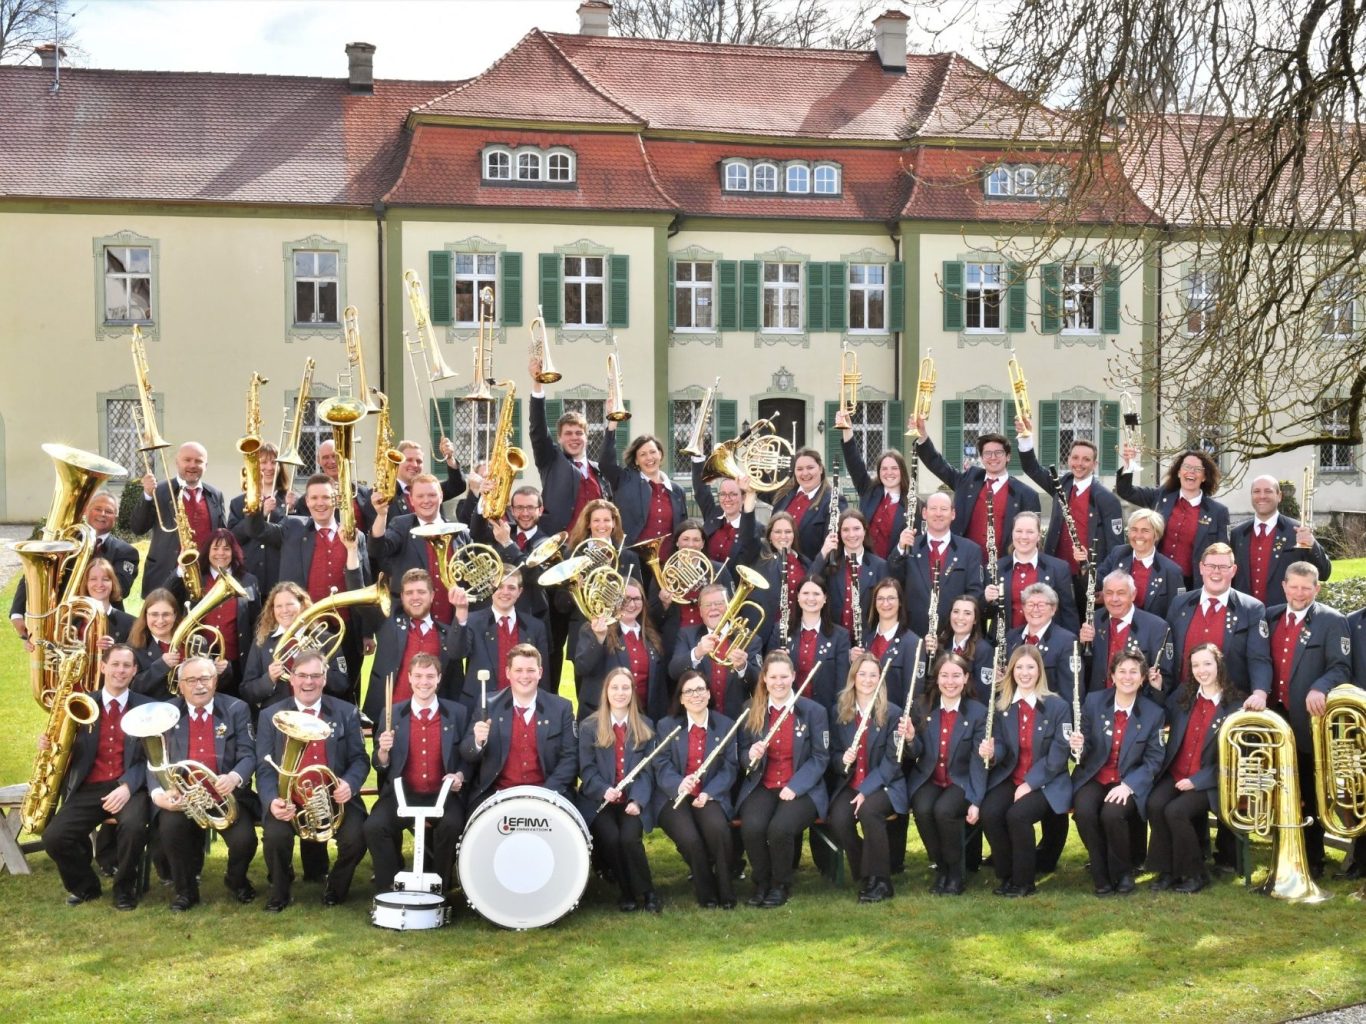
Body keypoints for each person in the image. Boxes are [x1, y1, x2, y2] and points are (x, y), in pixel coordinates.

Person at [1243, 561, 1351, 876]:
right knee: (1276, 787)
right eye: (1294, 587)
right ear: (1284, 586)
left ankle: (1313, 859)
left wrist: (1320, 687)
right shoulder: (1269, 616)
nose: (1299, 593)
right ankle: (1281, 853)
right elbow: (1258, 659)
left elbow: (1341, 667)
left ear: (1317, 588)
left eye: (1306, 588)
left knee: (1308, 790)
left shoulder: (1333, 621)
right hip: (1273, 719)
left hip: (1308, 721)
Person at [256, 649, 370, 912]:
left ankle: (335, 888)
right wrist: (272, 801)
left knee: (356, 836)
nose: (309, 682)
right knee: (275, 836)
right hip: (289, 799)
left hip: (335, 799)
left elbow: (360, 759)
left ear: (325, 679)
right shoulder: (270, 715)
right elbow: (264, 768)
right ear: (292, 678)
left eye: (316, 676)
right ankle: (280, 892)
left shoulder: (345, 712)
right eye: (303, 675)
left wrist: (349, 784)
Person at [40, 644, 152, 910]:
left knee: (134, 827)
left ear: (134, 671)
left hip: (128, 788)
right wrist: (48, 743)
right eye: (115, 664)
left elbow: (153, 758)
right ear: (102, 667)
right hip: (89, 787)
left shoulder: (146, 708)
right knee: (55, 837)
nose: (120, 671)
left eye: (126, 665)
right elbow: (64, 746)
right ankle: (86, 887)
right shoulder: (80, 706)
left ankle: (124, 889)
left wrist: (127, 786)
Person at [248, 474, 373, 699]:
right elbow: (257, 530)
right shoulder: (292, 527)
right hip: (304, 629)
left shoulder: (356, 536)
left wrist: (367, 632)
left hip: (345, 627)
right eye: (314, 498)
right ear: (306, 501)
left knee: (346, 689)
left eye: (325, 497)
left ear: (336, 499)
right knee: (305, 686)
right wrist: (255, 505)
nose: (319, 503)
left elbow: (363, 586)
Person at [151, 655, 260, 910]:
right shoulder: (167, 712)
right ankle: (186, 892)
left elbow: (248, 754)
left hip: (225, 795)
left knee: (245, 841)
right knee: (170, 830)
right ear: (180, 685)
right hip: (184, 796)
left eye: (205, 678)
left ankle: (236, 880)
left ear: (215, 681)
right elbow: (154, 760)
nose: (199, 685)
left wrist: (233, 777)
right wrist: (160, 793)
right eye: (191, 680)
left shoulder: (236, 709)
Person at [365, 652, 471, 894]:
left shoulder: (457, 713)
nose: (424, 682)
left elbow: (468, 757)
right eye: (419, 676)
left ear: (439, 678)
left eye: (430, 676)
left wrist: (460, 775)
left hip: (442, 794)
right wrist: (383, 751)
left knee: (452, 825)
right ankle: (390, 887)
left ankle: (440, 887)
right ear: (410, 678)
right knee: (374, 826)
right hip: (404, 793)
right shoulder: (392, 713)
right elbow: (379, 765)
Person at [736, 650, 830, 908]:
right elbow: (742, 754)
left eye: (784, 677)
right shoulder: (750, 710)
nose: (779, 682)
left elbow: (820, 757)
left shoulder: (813, 711)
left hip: (801, 787)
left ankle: (780, 885)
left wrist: (796, 786)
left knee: (780, 829)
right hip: (763, 784)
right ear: (764, 679)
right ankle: (762, 882)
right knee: (752, 827)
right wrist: (751, 755)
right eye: (773, 677)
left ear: (793, 676)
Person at [1068, 649, 1166, 896]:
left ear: (1143, 678)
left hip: (1127, 780)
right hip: (1094, 775)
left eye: (1134, 672)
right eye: (1121, 671)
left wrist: (1129, 786)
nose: (1127, 677)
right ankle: (1100, 872)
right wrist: (1077, 746)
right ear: (1112, 675)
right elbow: (1084, 749)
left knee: (1112, 814)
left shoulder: (1153, 713)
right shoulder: (1094, 702)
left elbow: (1154, 760)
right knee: (1084, 811)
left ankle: (1122, 872)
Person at [977, 646, 1071, 897]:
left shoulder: (1058, 706)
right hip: (1012, 776)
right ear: (1011, 671)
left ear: (1039, 671)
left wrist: (1030, 784)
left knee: (1017, 816)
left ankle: (1024, 882)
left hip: (1047, 781)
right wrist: (992, 752)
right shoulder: (1002, 705)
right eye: (1019, 667)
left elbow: (1058, 755)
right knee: (990, 812)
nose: (1024, 673)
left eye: (1030, 667)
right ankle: (1007, 874)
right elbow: (1002, 746)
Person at [1147, 644, 1241, 893]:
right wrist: (1157, 689)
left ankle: (1195, 874)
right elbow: (1162, 716)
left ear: (1219, 665)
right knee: (1155, 804)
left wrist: (1197, 781)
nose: (1202, 670)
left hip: (1211, 780)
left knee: (1176, 811)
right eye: (1196, 665)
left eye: (1207, 664)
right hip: (1176, 772)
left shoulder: (1235, 706)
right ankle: (1167, 871)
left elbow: (1233, 759)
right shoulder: (1184, 693)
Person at [896, 652, 990, 895]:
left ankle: (956, 874)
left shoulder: (978, 713)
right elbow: (916, 752)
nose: (950, 682)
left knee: (944, 811)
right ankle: (942, 868)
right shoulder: (922, 706)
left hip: (961, 779)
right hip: (929, 777)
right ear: (936, 678)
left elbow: (978, 761)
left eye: (956, 676)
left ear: (966, 678)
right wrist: (910, 738)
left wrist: (976, 800)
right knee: (923, 809)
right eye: (944, 675)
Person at [653, 670, 740, 909]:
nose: (696, 695)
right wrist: (679, 783)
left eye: (701, 689)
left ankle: (726, 891)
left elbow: (730, 768)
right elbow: (660, 763)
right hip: (673, 796)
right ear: (681, 698)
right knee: (691, 840)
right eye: (689, 691)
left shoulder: (725, 726)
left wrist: (709, 792)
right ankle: (707, 894)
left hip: (708, 794)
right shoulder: (667, 726)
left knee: (719, 831)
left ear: (709, 694)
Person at [576, 667, 661, 913]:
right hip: (598, 801)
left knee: (629, 838)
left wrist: (637, 801)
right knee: (612, 839)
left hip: (631, 800)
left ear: (633, 692)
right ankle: (627, 892)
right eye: (614, 687)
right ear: (606, 691)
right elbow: (586, 770)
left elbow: (647, 772)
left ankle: (648, 892)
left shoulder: (645, 726)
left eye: (625, 687)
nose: (620, 693)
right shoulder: (589, 727)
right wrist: (603, 789)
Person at [1017, 422, 1125, 610]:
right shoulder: (1061, 485)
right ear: (1068, 460)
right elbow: (1031, 468)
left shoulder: (1107, 499)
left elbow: (1115, 547)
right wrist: (1026, 437)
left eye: (1086, 460)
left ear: (1095, 464)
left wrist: (1108, 585)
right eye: (1075, 458)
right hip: (1057, 572)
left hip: (1088, 578)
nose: (1079, 464)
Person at [907, 412, 1040, 563]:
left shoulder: (1025, 494)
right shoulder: (968, 481)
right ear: (981, 458)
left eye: (998, 453)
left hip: (1003, 565)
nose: (993, 457)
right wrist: (922, 435)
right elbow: (938, 465)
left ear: (1008, 456)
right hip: (965, 563)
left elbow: (1033, 539)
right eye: (987, 453)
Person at [825, 654, 906, 902]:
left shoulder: (893, 713)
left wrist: (866, 790)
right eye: (862, 674)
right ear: (853, 677)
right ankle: (866, 871)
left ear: (880, 679)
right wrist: (843, 759)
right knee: (839, 819)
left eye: (873, 675)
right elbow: (832, 755)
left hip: (885, 784)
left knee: (869, 811)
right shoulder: (839, 711)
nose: (868, 680)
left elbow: (892, 761)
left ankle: (882, 881)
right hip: (851, 783)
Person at [10, 490, 139, 640]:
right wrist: (17, 613)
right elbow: (34, 573)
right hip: (56, 621)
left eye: (109, 511)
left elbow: (121, 590)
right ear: (85, 511)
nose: (102, 514)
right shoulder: (63, 544)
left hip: (104, 627)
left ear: (115, 517)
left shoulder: (125, 552)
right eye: (97, 509)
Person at [460, 643, 578, 806]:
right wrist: (477, 742)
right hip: (498, 795)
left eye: (531, 670)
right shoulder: (488, 705)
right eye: (518, 670)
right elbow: (467, 753)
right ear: (508, 672)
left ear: (540, 672)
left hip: (547, 795)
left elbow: (570, 757)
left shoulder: (561, 708)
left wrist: (546, 793)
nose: (525, 676)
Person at [369, 473, 481, 625]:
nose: (426, 500)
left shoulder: (460, 532)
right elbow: (377, 550)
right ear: (411, 500)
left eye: (432, 495)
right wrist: (381, 515)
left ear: (441, 496)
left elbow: (474, 579)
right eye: (420, 496)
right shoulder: (401, 525)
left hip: (454, 623)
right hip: (411, 624)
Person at [1160, 543, 1273, 693]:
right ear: (1201, 568)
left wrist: (1260, 692)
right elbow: (1167, 652)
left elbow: (1258, 658)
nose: (1216, 572)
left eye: (1223, 567)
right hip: (1181, 699)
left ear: (1233, 570)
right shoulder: (1180, 604)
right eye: (1210, 566)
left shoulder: (1251, 609)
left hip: (1229, 698)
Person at [1116, 445, 1229, 589]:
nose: (1191, 472)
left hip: (1192, 584)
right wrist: (1129, 463)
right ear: (1178, 472)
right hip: (1155, 578)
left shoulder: (1217, 512)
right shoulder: (1160, 496)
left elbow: (1223, 554)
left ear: (1204, 477)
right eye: (1186, 467)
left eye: (1197, 469)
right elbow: (1126, 491)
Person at [167, 528, 262, 695]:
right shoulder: (196, 577)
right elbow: (166, 595)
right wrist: (181, 570)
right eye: (215, 548)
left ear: (233, 552)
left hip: (236, 661)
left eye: (226, 548)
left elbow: (257, 622)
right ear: (207, 551)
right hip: (197, 660)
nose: (221, 553)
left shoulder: (249, 580)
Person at [239, 581, 352, 717]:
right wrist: (269, 679)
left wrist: (319, 670)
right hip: (278, 717)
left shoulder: (326, 639)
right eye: (278, 606)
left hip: (318, 716)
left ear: (302, 606)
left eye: (290, 604)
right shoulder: (262, 642)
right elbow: (247, 692)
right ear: (272, 610)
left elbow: (342, 685)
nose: (284, 610)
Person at [528, 357, 613, 536]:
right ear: (559, 438)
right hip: (562, 545)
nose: (574, 438)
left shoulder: (598, 470)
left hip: (595, 544)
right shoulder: (550, 461)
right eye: (568, 433)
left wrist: (612, 421)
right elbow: (538, 430)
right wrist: (537, 384)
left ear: (586, 437)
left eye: (578, 433)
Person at [360, 568, 458, 724]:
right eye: (409, 593)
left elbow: (455, 685)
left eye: (421, 592)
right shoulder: (387, 621)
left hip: (432, 722)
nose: (415, 597)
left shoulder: (447, 635)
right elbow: (359, 594)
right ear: (402, 597)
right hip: (388, 719)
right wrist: (353, 557)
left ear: (432, 595)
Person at [129, 441, 226, 597]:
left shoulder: (215, 495)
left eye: (198, 461)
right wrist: (147, 494)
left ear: (206, 465)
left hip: (204, 576)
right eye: (187, 460)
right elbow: (138, 528)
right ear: (177, 462)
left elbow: (222, 535)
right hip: (164, 575)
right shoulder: (159, 490)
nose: (192, 465)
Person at [887, 491, 985, 639]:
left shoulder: (970, 550)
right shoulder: (909, 546)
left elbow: (975, 593)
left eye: (944, 509)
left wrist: (958, 623)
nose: (938, 514)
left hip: (954, 637)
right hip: (914, 635)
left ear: (953, 514)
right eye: (933, 508)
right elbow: (892, 579)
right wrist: (900, 549)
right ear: (924, 513)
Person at [448, 566, 551, 706]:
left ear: (520, 592)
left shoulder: (535, 627)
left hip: (522, 705)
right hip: (480, 704)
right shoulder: (472, 621)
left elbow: (542, 677)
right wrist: (460, 613)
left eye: (511, 588)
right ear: (490, 589)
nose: (505, 592)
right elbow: (456, 653)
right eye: (499, 587)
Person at [573, 576, 668, 721]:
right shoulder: (592, 629)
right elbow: (582, 668)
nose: (631, 604)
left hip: (642, 719)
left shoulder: (652, 636)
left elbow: (658, 686)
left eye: (637, 599)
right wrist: (599, 638)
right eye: (625, 599)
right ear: (613, 600)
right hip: (603, 718)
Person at [1229, 475, 1332, 604]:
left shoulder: (1297, 531)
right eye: (1256, 491)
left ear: (1279, 496)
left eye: (1268, 491)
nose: (1262, 496)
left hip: (1283, 613)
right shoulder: (1238, 534)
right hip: (1245, 613)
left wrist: (1312, 544)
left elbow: (1324, 573)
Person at [644, 518, 733, 662]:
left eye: (696, 540)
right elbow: (651, 619)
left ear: (702, 544)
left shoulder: (718, 570)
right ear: (677, 543)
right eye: (685, 539)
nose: (691, 544)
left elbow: (732, 608)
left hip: (711, 638)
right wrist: (664, 605)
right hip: (674, 640)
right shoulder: (662, 574)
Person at [668, 582, 761, 721]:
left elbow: (760, 684)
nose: (713, 608)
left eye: (719, 603)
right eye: (707, 605)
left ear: (730, 606)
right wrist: (697, 653)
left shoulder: (750, 639)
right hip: (698, 718)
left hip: (737, 719)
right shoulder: (687, 635)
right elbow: (673, 672)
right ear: (700, 611)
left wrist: (743, 666)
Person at [835, 409, 914, 560]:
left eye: (894, 468)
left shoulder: (912, 503)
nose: (889, 473)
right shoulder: (869, 490)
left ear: (902, 471)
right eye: (884, 469)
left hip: (893, 567)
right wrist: (847, 428)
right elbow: (854, 462)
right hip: (865, 565)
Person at [763, 577, 851, 712]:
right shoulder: (781, 629)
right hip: (786, 709)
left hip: (825, 710)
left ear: (825, 598)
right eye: (805, 593)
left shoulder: (840, 636)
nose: (811, 598)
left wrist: (836, 713)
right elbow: (767, 671)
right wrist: (775, 658)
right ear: (798, 597)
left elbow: (841, 683)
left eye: (816, 594)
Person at [986, 511, 1080, 637]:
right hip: (1006, 642)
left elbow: (1068, 614)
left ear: (1039, 535)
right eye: (1019, 531)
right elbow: (985, 614)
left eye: (1030, 532)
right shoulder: (996, 568)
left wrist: (1071, 644)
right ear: (1012, 533)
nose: (1024, 536)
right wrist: (986, 600)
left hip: (1047, 643)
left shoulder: (1059, 568)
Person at [1077, 570, 1169, 694]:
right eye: (1109, 593)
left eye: (1121, 593)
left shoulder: (1156, 627)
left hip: (1139, 701)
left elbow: (1163, 678)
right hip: (1099, 701)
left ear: (1133, 595)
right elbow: (1084, 668)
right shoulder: (1094, 619)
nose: (1114, 599)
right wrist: (1083, 645)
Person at [810, 509, 889, 647]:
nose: (851, 534)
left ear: (865, 531)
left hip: (866, 642)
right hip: (832, 641)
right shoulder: (829, 563)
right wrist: (823, 553)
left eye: (856, 529)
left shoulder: (880, 566)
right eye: (845, 530)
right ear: (839, 534)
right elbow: (808, 585)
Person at [601, 430, 687, 552]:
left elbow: (683, 529)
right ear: (636, 460)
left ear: (660, 454)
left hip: (668, 560)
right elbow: (605, 464)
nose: (649, 458)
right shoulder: (625, 481)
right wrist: (612, 426)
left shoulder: (677, 491)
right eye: (643, 454)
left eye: (653, 452)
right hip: (633, 559)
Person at [1095, 509, 1184, 620]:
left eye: (1145, 531)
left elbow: (1176, 613)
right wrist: (1084, 563)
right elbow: (1094, 583)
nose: (1138, 536)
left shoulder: (1171, 571)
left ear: (1156, 535)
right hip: (1114, 624)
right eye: (1134, 530)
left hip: (1151, 629)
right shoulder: (1118, 553)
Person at [227, 439, 289, 595]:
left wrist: (291, 508)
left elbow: (288, 536)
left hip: (279, 576)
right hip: (248, 574)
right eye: (263, 462)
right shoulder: (238, 502)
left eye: (274, 462)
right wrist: (260, 513)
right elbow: (233, 538)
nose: (269, 468)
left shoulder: (289, 500)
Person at [1004, 583, 1082, 705]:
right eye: (1030, 604)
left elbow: (1070, 692)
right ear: (1023, 608)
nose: (1035, 610)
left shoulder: (1067, 641)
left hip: (1049, 713)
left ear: (1053, 609)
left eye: (1041, 605)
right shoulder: (1011, 637)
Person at [740, 511, 810, 643]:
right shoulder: (759, 555)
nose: (783, 536)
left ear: (794, 535)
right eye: (778, 532)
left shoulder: (804, 562)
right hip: (763, 631)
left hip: (795, 633)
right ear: (770, 536)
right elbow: (747, 535)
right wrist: (749, 505)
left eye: (788, 532)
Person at [768, 448, 846, 561]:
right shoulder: (783, 494)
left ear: (820, 469)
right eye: (799, 469)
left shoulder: (834, 501)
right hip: (778, 566)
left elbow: (832, 549)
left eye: (810, 468)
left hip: (812, 569)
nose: (805, 473)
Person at [858, 577, 924, 710]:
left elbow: (913, 692)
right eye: (880, 599)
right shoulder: (865, 637)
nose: (885, 603)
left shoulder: (913, 643)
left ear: (900, 602)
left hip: (892, 717)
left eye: (891, 598)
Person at [292, 438, 376, 535]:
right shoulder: (307, 500)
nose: (331, 461)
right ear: (318, 461)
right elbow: (301, 532)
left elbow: (373, 529)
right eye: (325, 457)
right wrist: (290, 509)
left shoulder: (363, 492)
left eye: (335, 456)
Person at [691, 459, 762, 565]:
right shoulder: (714, 514)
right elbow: (701, 491)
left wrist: (751, 494)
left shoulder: (753, 527)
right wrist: (698, 457)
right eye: (723, 494)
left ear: (743, 498)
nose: (727, 499)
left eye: (733, 494)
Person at [927, 595, 995, 694]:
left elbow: (983, 693)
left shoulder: (984, 650)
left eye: (967, 613)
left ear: (975, 619)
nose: (960, 617)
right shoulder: (940, 645)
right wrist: (928, 653)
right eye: (956, 612)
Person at [387, 437, 467, 520]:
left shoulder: (432, 489)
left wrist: (450, 458)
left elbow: (458, 486)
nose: (414, 465)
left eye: (419, 461)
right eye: (409, 460)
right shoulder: (385, 494)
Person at [127, 588, 184, 695]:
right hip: (153, 704)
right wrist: (161, 666)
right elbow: (132, 687)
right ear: (146, 616)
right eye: (154, 614)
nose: (160, 620)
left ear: (175, 615)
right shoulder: (134, 647)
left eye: (166, 614)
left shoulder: (190, 641)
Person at [73, 557, 136, 645]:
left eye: (105, 579)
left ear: (113, 584)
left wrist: (115, 649)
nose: (99, 584)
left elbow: (137, 652)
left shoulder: (131, 624)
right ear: (86, 584)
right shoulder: (72, 619)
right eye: (93, 579)